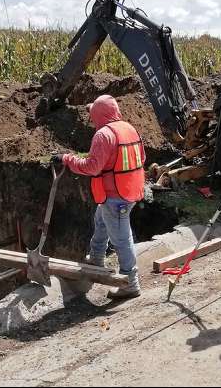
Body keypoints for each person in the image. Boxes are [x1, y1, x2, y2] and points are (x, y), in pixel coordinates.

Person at [52, 94, 146, 300]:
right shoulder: (129, 128)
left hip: (116, 195)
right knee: (101, 220)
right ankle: (96, 258)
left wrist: (67, 159)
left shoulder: (104, 135)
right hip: (129, 190)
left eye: (93, 112)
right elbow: (142, 158)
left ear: (99, 114)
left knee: (121, 237)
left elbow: (93, 167)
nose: (91, 117)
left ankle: (131, 282)